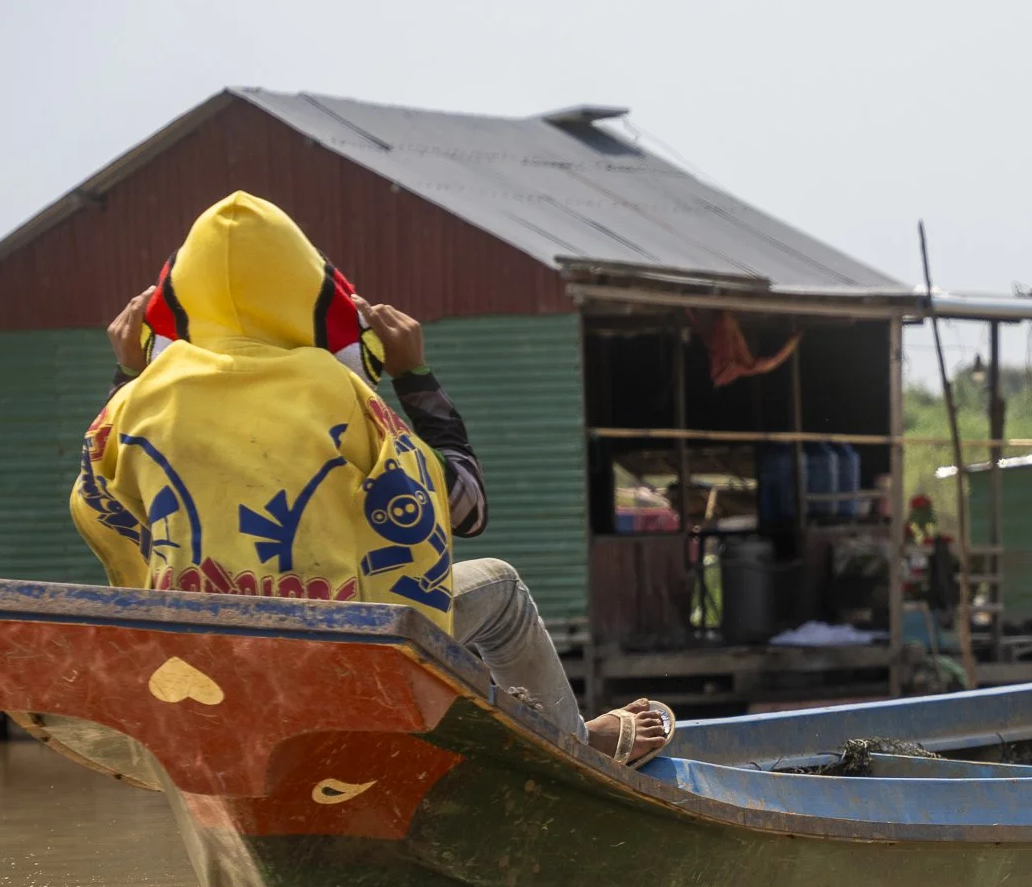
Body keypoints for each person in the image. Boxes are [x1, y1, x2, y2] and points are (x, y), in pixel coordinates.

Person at [75, 191, 669, 762]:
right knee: (504, 588)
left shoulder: (138, 402)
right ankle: (572, 744)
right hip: (340, 649)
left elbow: (100, 500)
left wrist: (127, 373)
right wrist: (415, 376)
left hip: (198, 653)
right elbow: (465, 510)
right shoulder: (338, 392)